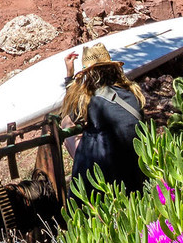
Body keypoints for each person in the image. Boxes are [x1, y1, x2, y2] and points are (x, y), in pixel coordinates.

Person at [61, 42, 147, 194]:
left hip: (106, 164)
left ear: (89, 74)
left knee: (66, 124)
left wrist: (70, 75)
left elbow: (70, 111)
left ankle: (85, 172)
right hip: (136, 164)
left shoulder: (88, 99)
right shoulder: (133, 93)